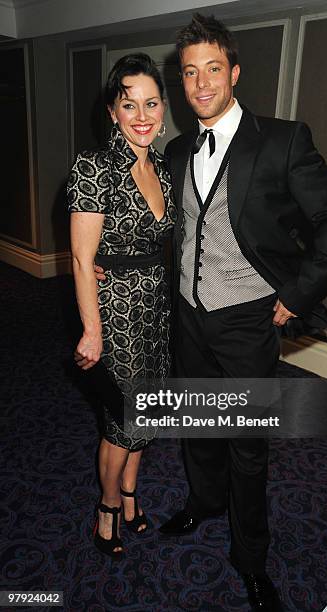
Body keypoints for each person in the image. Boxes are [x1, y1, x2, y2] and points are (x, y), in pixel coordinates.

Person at [155, 14, 327, 612]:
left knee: (247, 444)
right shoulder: (175, 148)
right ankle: (203, 501)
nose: (201, 83)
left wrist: (296, 294)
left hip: (248, 318)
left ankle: (251, 558)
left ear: (234, 72)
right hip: (188, 314)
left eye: (212, 68)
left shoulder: (282, 140)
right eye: (189, 72)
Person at [67, 53, 176, 557]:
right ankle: (107, 507)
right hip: (116, 315)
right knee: (121, 422)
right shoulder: (94, 167)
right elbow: (82, 257)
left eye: (150, 103)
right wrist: (92, 330)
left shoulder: (162, 166)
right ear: (112, 110)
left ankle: (131, 495)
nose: (141, 115)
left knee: (147, 415)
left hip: (157, 312)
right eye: (128, 104)